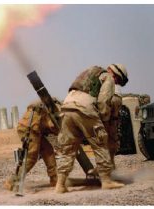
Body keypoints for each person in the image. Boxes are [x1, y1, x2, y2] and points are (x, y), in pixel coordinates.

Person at [55, 64, 129, 193]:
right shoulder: (108, 78)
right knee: (100, 142)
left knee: (67, 148)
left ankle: (60, 184)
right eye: (118, 81)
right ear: (116, 75)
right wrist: (103, 122)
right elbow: (103, 101)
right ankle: (106, 181)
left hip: (66, 107)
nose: (116, 83)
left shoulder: (89, 72)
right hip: (84, 109)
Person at [4, 99, 61, 190]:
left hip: (35, 129)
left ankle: (55, 179)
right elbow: (52, 126)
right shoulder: (56, 108)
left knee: (48, 151)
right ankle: (13, 182)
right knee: (32, 156)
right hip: (30, 127)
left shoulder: (51, 106)